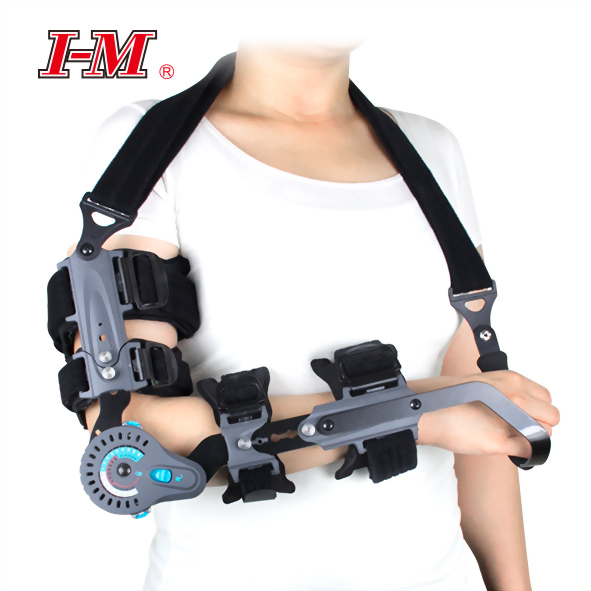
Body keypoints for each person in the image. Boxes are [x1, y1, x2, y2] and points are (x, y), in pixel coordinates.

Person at [74, 40, 559, 591]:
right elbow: (129, 445)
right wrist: (423, 414)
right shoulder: (150, 141)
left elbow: (485, 416)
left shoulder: (433, 150)